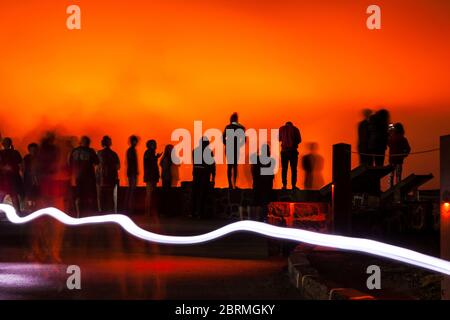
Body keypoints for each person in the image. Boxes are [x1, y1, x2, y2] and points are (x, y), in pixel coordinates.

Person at [69, 136, 99, 216]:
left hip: (77, 177)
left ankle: (79, 214)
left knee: (78, 195)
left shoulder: (74, 151)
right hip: (89, 177)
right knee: (90, 195)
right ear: (88, 143)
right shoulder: (90, 151)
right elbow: (97, 162)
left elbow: (69, 163)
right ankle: (89, 214)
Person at [191, 137, 216, 219]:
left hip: (196, 173)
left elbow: (194, 163)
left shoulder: (195, 151)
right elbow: (212, 165)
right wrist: (213, 176)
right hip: (205, 174)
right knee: (203, 194)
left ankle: (193, 212)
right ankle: (200, 213)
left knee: (195, 194)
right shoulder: (208, 152)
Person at [251, 144, 275, 222]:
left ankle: (256, 219)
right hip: (265, 185)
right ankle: (263, 219)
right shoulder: (271, 160)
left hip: (258, 184)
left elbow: (254, 171)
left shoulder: (257, 159)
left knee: (257, 203)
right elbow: (270, 174)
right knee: (264, 203)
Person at [97, 136, 120, 213]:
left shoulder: (99, 153)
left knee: (101, 197)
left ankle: (102, 212)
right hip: (111, 179)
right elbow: (118, 166)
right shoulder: (114, 154)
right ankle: (111, 212)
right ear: (110, 143)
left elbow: (96, 165)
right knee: (110, 197)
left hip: (101, 179)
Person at [222, 112, 246, 189]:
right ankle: (233, 184)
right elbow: (244, 139)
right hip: (235, 148)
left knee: (230, 167)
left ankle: (230, 184)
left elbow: (223, 138)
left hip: (229, 148)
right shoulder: (240, 128)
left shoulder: (228, 127)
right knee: (234, 166)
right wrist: (239, 145)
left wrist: (227, 144)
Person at [0, 137, 23, 211]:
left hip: (13, 177)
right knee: (1, 195)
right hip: (3, 177)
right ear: (3, 144)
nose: (6, 144)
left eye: (7, 142)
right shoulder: (0, 153)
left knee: (14, 195)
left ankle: (18, 212)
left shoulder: (15, 152)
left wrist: (21, 174)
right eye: (5, 142)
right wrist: (3, 168)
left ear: (10, 143)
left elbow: (20, 164)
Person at [279, 121, 302, 190]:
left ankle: (284, 185)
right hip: (293, 151)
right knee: (294, 170)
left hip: (284, 152)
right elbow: (299, 140)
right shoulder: (295, 129)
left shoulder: (281, 129)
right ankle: (293, 186)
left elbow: (278, 139)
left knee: (284, 169)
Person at [388, 123, 411, 188]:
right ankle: (397, 190)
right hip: (399, 160)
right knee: (398, 176)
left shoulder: (391, 138)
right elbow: (408, 149)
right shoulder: (403, 139)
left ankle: (390, 191)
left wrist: (389, 132)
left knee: (391, 177)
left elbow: (388, 144)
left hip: (392, 160)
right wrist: (404, 155)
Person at [143, 139, 161, 215]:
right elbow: (150, 164)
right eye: (154, 144)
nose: (155, 146)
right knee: (150, 194)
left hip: (150, 176)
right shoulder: (149, 153)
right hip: (151, 176)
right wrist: (156, 157)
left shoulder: (148, 153)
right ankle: (148, 211)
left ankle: (148, 211)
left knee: (150, 194)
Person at [23, 142, 40, 210]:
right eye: (31, 150)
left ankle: (36, 207)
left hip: (38, 178)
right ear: (29, 150)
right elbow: (23, 167)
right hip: (28, 178)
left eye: (34, 150)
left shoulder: (39, 158)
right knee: (29, 193)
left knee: (37, 193)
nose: (33, 151)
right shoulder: (26, 157)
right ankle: (30, 207)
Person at [125, 135, 139, 214]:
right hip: (132, 173)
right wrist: (133, 172)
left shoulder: (131, 150)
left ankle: (128, 208)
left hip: (131, 172)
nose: (136, 143)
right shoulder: (131, 150)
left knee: (130, 190)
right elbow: (131, 162)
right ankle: (129, 209)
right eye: (135, 141)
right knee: (131, 191)